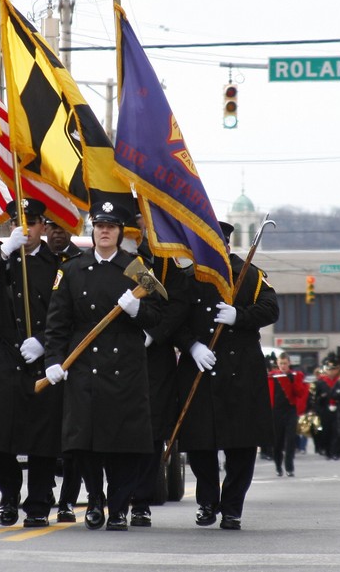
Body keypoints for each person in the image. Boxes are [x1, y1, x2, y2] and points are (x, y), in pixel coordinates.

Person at [43, 200, 164, 532]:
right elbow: (57, 324)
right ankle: (95, 501)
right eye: (100, 226)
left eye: (111, 226)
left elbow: (157, 315)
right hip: (85, 366)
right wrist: (53, 360)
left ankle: (120, 506)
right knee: (86, 444)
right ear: (92, 230)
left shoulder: (138, 269)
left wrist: (137, 310)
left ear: (119, 232)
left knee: (122, 445)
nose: (105, 231)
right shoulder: (71, 270)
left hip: (125, 367)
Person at [173, 220, 277, 531]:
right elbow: (174, 321)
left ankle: (232, 507)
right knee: (200, 444)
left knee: (241, 446)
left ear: (228, 245)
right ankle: (207, 502)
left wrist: (239, 317)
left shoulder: (251, 274)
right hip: (201, 369)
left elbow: (271, 310)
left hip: (241, 370)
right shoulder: (189, 277)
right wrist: (191, 346)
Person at [0, 198, 64, 528]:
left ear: (44, 226)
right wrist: (5, 250)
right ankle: (8, 496)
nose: (25, 228)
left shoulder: (58, 265)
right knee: (0, 436)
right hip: (1, 361)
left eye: (33, 222)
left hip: (39, 361)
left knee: (43, 436)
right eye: (17, 223)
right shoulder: (0, 259)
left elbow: (66, 313)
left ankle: (38, 502)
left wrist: (42, 341)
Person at [126, 215, 191, 527]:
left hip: (154, 357)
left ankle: (142, 499)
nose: (145, 228)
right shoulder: (124, 259)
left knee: (152, 433)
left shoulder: (164, 262)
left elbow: (176, 304)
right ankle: (112, 496)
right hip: (119, 355)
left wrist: (155, 333)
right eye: (140, 222)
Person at [43, 216, 84, 520]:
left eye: (62, 226)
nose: (57, 232)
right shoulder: (32, 258)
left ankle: (68, 498)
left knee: (73, 437)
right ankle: (42, 492)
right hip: (40, 359)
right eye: (51, 226)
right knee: (43, 434)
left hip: (75, 360)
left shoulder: (81, 263)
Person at [268, 353, 307, 477]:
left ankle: (289, 467)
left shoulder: (296, 375)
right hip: (276, 412)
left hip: (290, 411)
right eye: (281, 363)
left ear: (289, 363)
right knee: (277, 442)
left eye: (285, 363)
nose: (283, 366)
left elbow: (300, 393)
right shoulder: (272, 376)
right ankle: (278, 466)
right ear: (277, 364)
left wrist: (293, 380)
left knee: (290, 440)